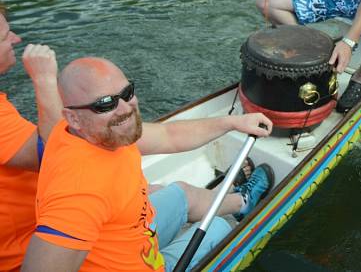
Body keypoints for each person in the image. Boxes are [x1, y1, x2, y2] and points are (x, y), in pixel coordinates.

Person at [23, 57, 275, 271]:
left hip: (136, 231)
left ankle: (242, 202)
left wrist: (231, 123)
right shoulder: (79, 192)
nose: (125, 109)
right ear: (74, 118)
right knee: (220, 228)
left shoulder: (97, 133)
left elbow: (169, 137)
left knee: (180, 192)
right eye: (105, 104)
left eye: (126, 93)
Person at [0, 5, 62, 270]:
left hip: (42, 224)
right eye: (5, 36)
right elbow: (58, 156)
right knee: (182, 197)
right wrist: (45, 80)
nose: (16, 39)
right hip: (33, 251)